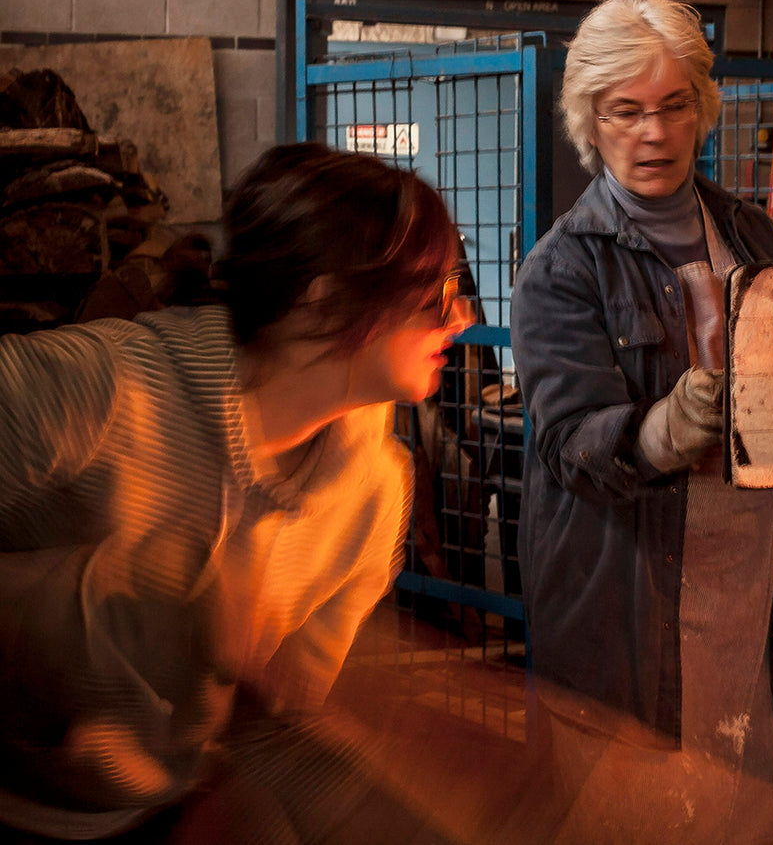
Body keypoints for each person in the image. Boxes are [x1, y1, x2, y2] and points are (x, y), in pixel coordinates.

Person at [0, 143, 474, 842]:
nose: (460, 317)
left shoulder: (376, 493)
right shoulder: (97, 390)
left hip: (137, 812)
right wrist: (88, 609)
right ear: (326, 301)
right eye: (435, 293)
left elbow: (276, 722)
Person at [510, 0, 773, 844]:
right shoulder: (561, 272)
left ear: (703, 111)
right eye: (626, 111)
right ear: (590, 121)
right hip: (627, 618)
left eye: (675, 107)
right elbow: (567, 445)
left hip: (750, 602)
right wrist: (663, 430)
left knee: (749, 821)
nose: (654, 134)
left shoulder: (765, 248)